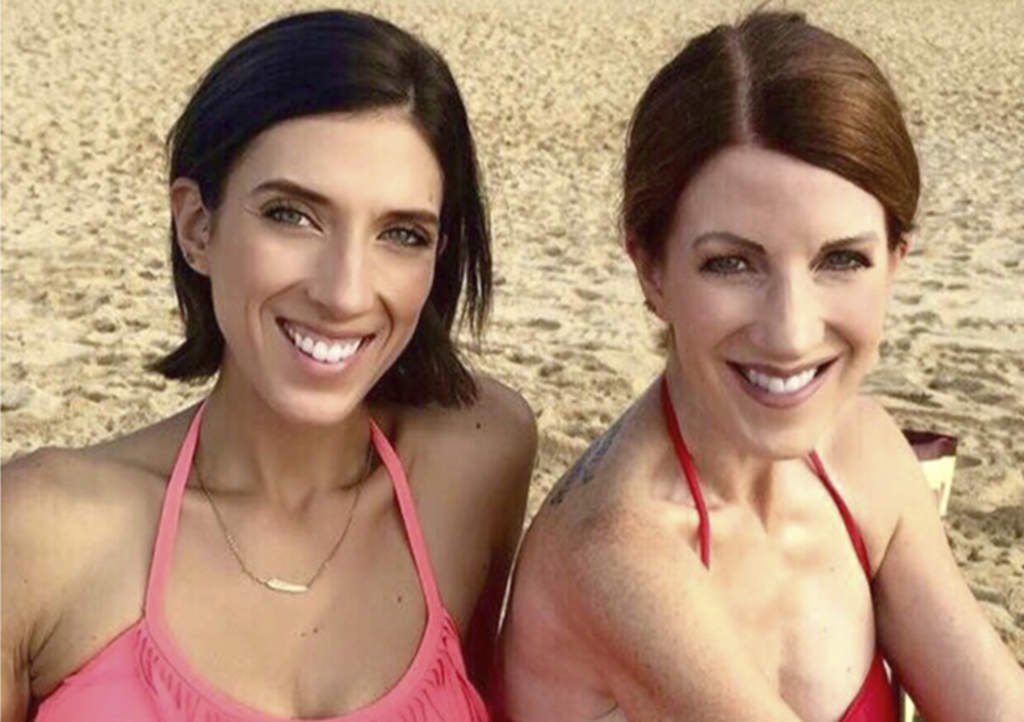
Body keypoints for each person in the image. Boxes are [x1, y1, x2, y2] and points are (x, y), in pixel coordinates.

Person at [2, 10, 536, 722]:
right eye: (292, 215)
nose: (345, 293)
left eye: (402, 233)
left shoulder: (476, 459)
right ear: (197, 227)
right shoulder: (40, 534)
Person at [498, 11, 1024, 722]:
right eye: (732, 264)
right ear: (651, 270)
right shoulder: (616, 553)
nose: (791, 332)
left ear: (896, 261)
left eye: (842, 259)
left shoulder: (864, 452)